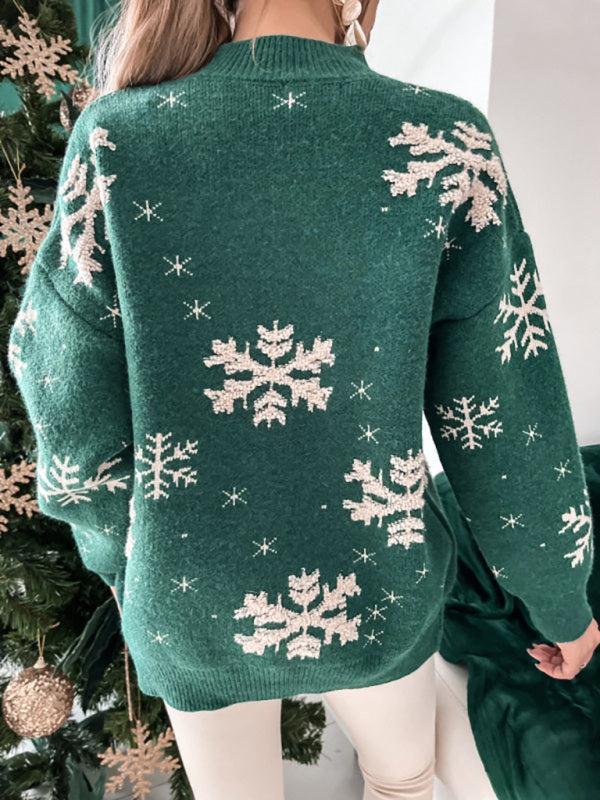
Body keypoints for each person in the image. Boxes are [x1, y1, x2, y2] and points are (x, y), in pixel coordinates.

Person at [8, 0, 599, 798]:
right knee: (405, 782)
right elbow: (504, 418)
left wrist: (129, 557)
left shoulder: (118, 140)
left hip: (191, 608)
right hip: (380, 593)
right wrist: (562, 603)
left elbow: (60, 392)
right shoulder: (447, 146)